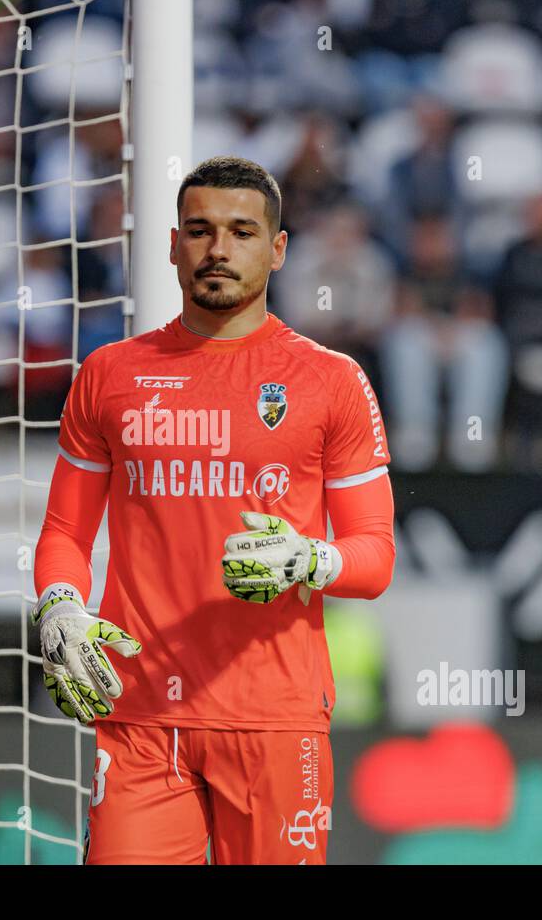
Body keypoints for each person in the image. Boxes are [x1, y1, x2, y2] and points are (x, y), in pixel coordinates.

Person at [30, 156, 396, 864]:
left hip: (273, 718)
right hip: (139, 716)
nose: (218, 249)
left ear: (278, 248)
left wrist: (310, 558)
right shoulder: (110, 374)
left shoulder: (331, 381)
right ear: (172, 245)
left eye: (241, 231)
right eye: (199, 231)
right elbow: (65, 532)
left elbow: (375, 555)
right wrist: (60, 603)